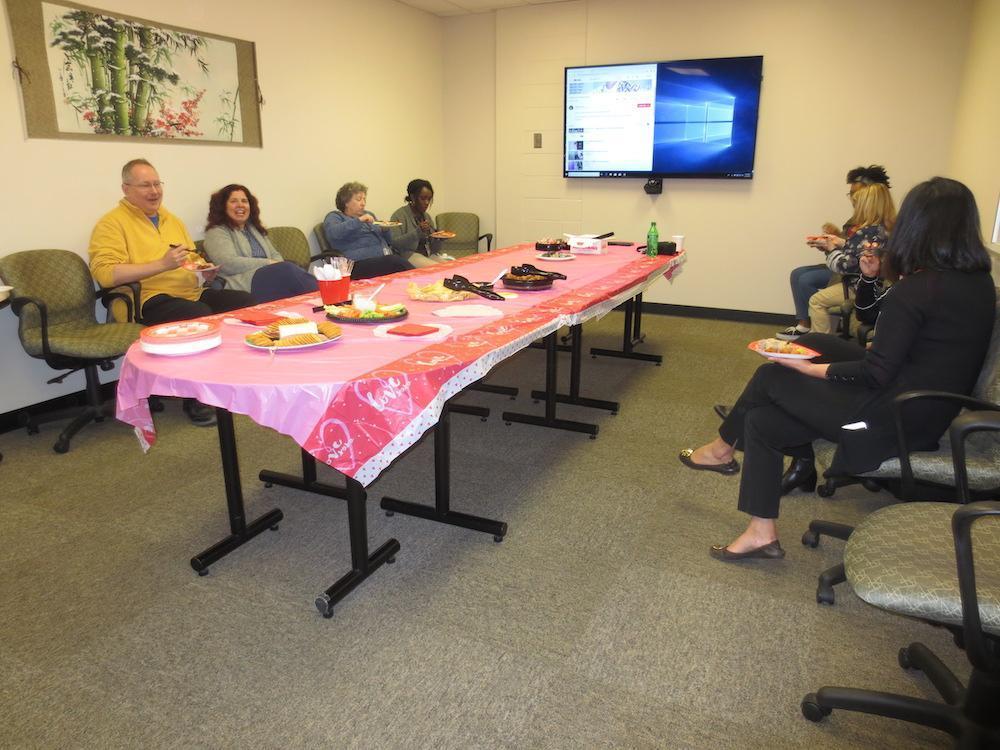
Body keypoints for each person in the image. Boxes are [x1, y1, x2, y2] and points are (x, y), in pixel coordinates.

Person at [679, 177, 995, 561]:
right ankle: (760, 530)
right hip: (924, 404)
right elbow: (871, 320)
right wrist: (869, 277)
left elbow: (875, 372)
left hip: (891, 418)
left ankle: (721, 449)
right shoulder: (976, 283)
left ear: (917, 226)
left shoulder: (920, 290)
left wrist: (810, 372)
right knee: (779, 391)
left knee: (772, 376)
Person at [88, 159, 253, 426]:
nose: (154, 191)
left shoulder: (171, 219)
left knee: (244, 303)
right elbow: (105, 275)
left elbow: (189, 261)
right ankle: (196, 399)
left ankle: (230, 380)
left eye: (157, 183)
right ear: (126, 189)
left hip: (189, 292)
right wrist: (161, 265)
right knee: (197, 315)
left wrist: (204, 272)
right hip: (143, 299)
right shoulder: (111, 224)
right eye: (145, 185)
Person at [777, 165, 895, 340]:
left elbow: (848, 263)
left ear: (868, 198)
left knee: (814, 297)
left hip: (855, 278)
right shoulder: (874, 227)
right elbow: (856, 248)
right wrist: (836, 239)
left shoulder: (869, 229)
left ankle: (820, 342)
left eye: (856, 195)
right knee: (798, 274)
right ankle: (807, 326)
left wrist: (831, 248)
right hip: (855, 273)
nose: (853, 199)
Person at [203, 184, 318, 303]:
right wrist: (268, 263)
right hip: (241, 283)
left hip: (268, 279)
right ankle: (325, 295)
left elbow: (275, 255)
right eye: (233, 201)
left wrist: (274, 265)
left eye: (244, 201)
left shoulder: (255, 230)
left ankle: (320, 304)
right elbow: (228, 263)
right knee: (287, 269)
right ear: (222, 207)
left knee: (289, 276)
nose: (241, 205)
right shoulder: (216, 232)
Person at [322, 182, 413, 279]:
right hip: (355, 265)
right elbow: (334, 233)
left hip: (382, 260)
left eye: (364, 199)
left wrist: (385, 230)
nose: (363, 203)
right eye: (359, 199)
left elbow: (390, 241)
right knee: (395, 262)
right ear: (346, 202)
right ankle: (421, 283)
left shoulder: (369, 214)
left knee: (396, 263)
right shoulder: (335, 216)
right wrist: (359, 221)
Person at [389, 179, 454, 268]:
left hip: (428, 254)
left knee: (452, 267)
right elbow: (395, 243)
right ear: (412, 197)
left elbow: (434, 249)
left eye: (429, 199)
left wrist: (439, 239)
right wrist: (417, 232)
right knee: (438, 269)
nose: (427, 202)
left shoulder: (427, 216)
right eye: (423, 198)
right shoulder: (399, 215)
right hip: (408, 255)